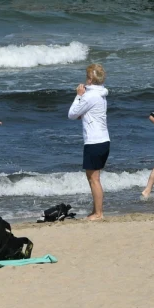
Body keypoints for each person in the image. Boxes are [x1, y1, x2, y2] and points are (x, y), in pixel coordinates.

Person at [68, 63, 110, 221]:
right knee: (93, 178)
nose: (85, 80)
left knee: (94, 179)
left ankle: (99, 213)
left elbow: (71, 114)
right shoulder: (100, 94)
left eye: (87, 77)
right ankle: (96, 211)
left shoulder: (90, 95)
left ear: (91, 79)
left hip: (95, 142)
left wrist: (78, 95)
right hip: (103, 140)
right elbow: (88, 112)